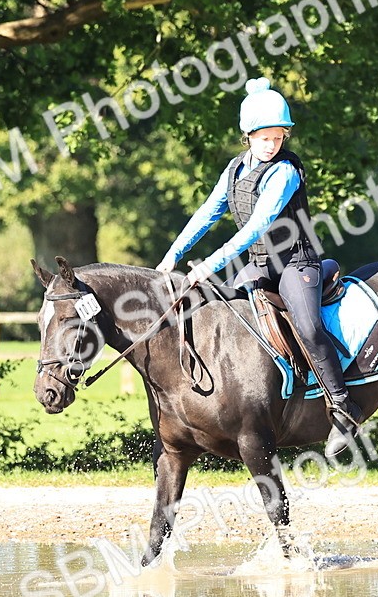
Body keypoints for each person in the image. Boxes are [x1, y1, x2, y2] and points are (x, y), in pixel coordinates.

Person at [156, 77, 364, 457]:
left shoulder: (285, 171)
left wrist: (209, 264)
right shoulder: (235, 169)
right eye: (265, 137)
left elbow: (256, 228)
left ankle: (343, 409)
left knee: (308, 326)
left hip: (297, 266)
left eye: (279, 137)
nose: (272, 144)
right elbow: (207, 214)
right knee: (216, 312)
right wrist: (173, 254)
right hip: (260, 267)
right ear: (247, 135)